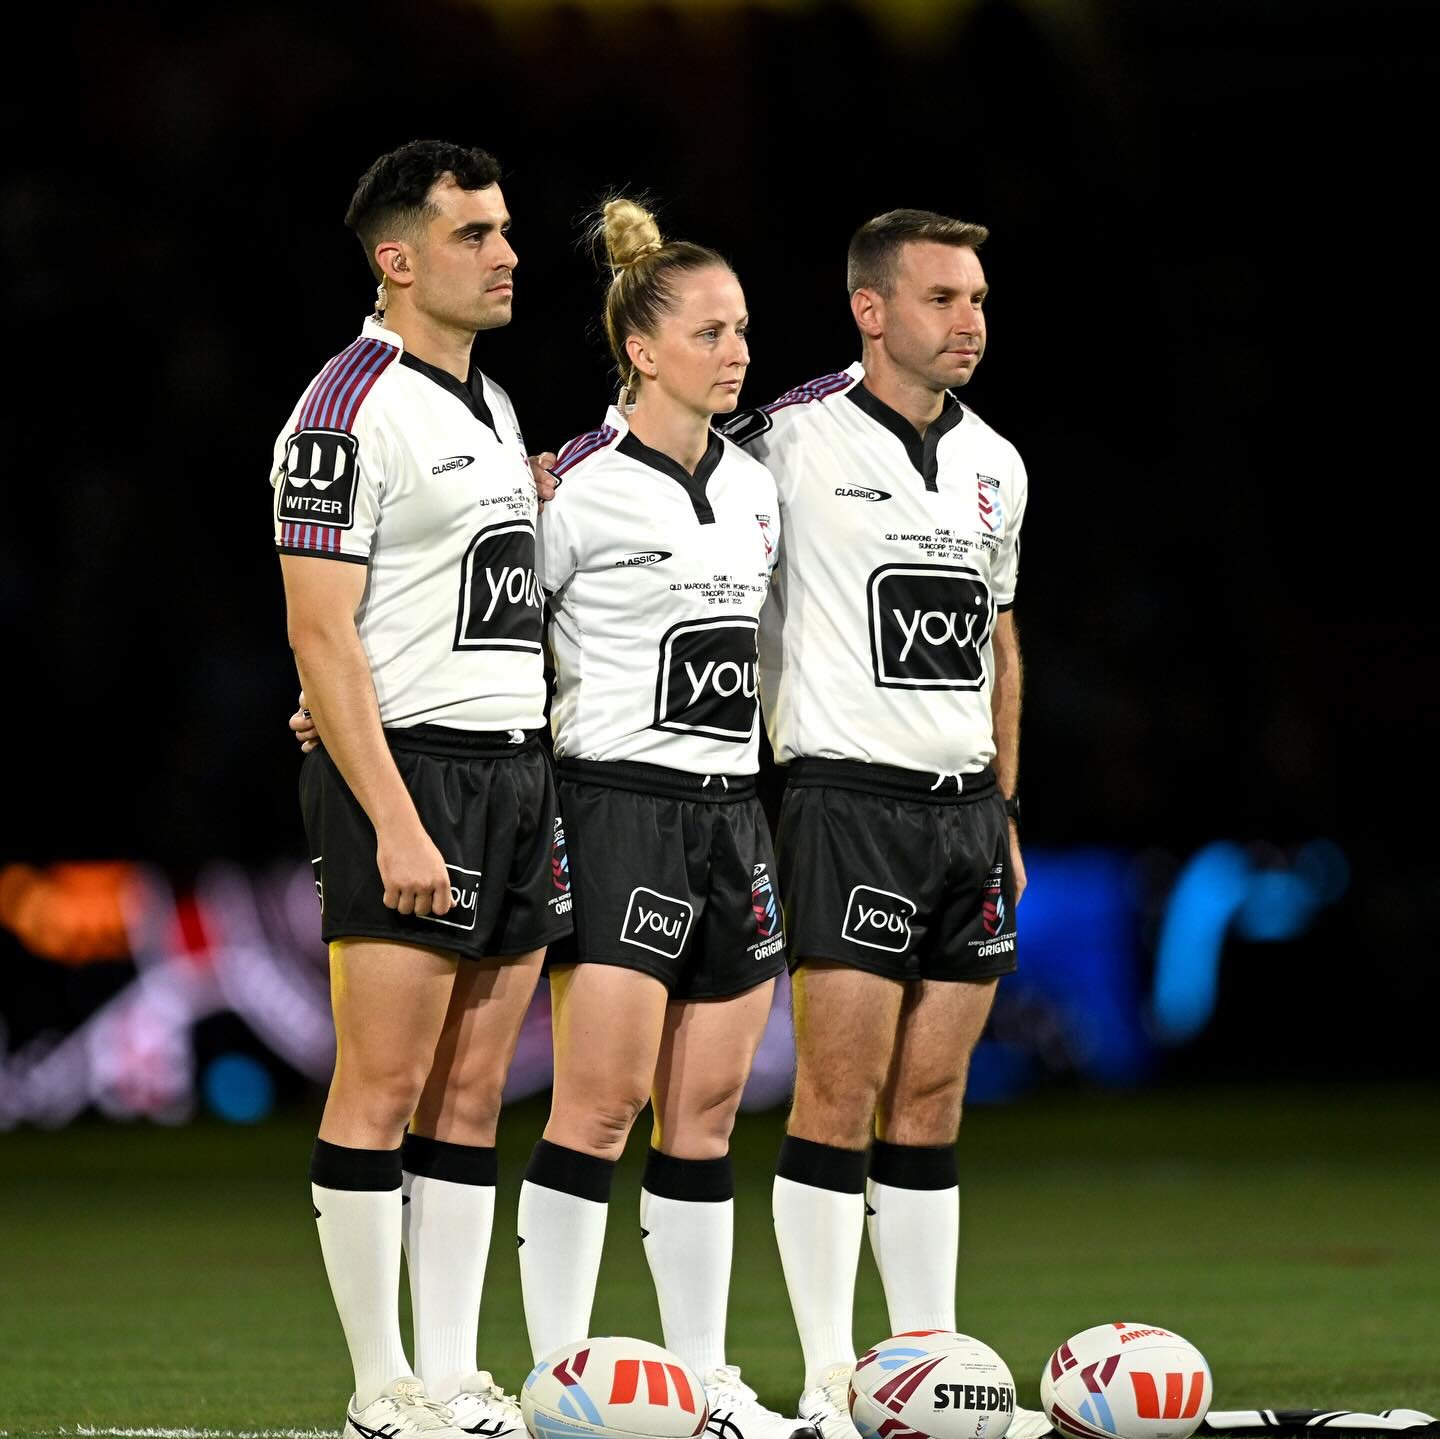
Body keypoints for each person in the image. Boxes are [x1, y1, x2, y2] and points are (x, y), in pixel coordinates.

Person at [713, 208, 1045, 1439]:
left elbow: (999, 638)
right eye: (943, 298)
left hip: (968, 815)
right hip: (845, 801)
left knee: (934, 1095)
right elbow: (641, 483)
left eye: (979, 299)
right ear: (871, 309)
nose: (970, 322)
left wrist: (1007, 803)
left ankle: (928, 1365)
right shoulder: (788, 437)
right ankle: (827, 1372)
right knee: (837, 1096)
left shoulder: (998, 461)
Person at [272, 139, 570, 1439]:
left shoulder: (489, 403)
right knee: (381, 1086)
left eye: (503, 229)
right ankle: (379, 1384)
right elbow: (320, 632)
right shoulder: (342, 409)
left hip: (514, 770)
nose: (506, 253)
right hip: (409, 776)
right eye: (473, 234)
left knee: (469, 1095)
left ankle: (451, 1373)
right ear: (396, 259)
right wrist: (394, 817)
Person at [516, 197, 808, 1439]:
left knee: (704, 1116)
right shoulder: (571, 489)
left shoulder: (754, 485)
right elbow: (494, 632)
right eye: (709, 331)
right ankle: (560, 1376)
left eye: (741, 328)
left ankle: (703, 1375)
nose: (737, 351)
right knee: (597, 1107)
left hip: (734, 815)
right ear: (641, 349)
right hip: (615, 805)